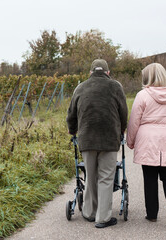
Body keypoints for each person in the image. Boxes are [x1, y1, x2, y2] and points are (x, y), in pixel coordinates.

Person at [66, 59, 128, 228]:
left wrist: (73, 130)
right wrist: (122, 129)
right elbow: (123, 112)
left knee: (90, 175)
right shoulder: (116, 87)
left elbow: (71, 114)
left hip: (87, 139)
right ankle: (103, 218)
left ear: (91, 73)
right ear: (108, 72)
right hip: (109, 139)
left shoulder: (80, 88)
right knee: (106, 177)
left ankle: (89, 212)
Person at [126, 63, 166, 224]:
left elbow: (134, 121)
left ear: (148, 77)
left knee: (149, 177)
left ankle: (152, 214)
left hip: (148, 138)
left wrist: (130, 141)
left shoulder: (143, 95)